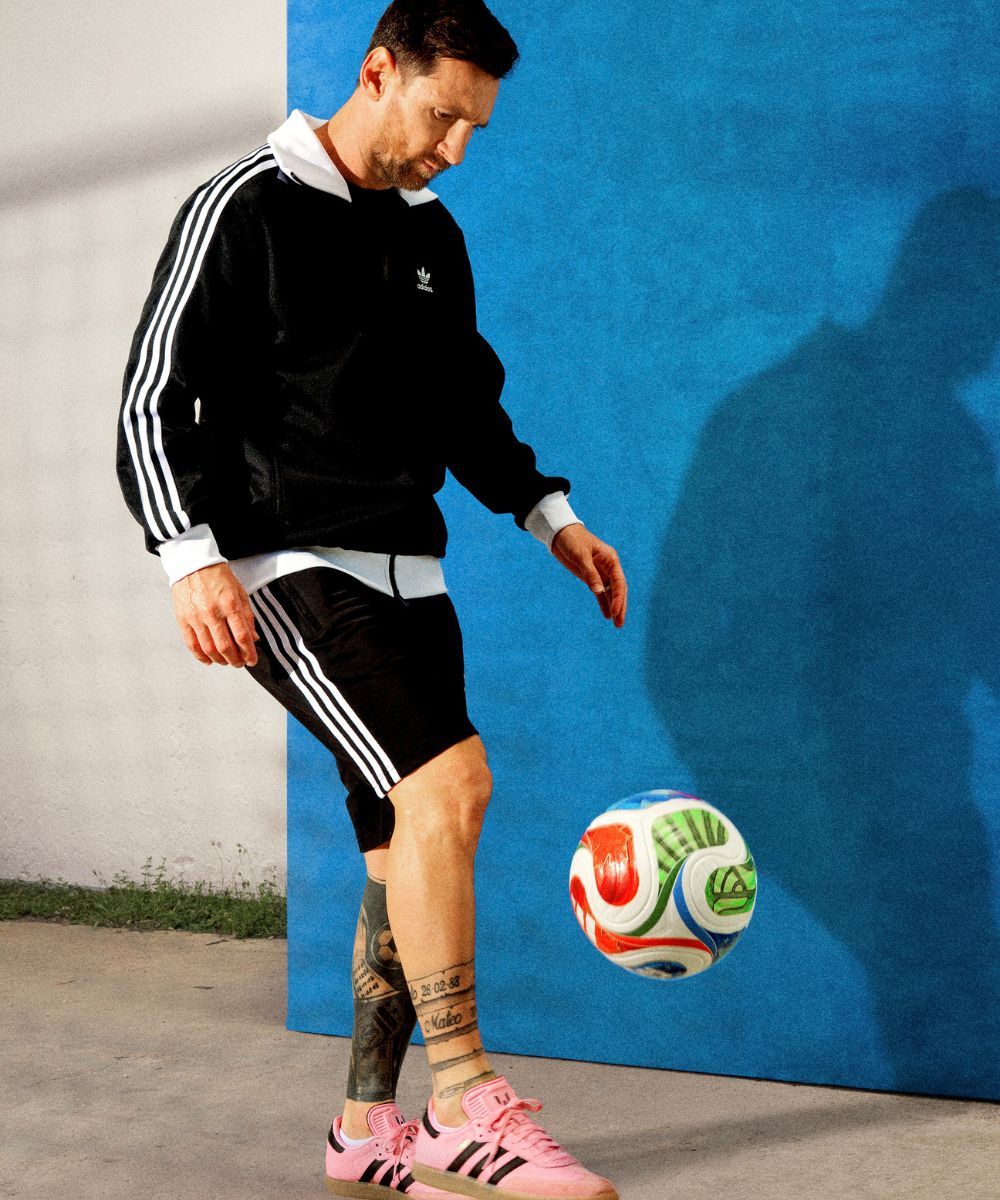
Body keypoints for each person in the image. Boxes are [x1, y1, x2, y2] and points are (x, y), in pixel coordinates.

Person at [117, 2, 626, 1196]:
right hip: (285, 564)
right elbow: (152, 396)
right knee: (450, 782)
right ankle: (462, 1098)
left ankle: (363, 1131)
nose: (454, 148)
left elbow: (464, 408)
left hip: (411, 564)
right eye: (443, 115)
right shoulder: (242, 204)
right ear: (377, 72)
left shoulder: (428, 234)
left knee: (403, 841)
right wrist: (189, 555)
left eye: (474, 128)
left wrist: (551, 517)